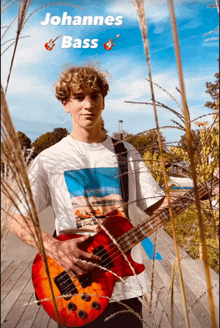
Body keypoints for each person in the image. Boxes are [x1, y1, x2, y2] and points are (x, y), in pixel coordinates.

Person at [10, 65, 166, 328]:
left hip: (125, 287)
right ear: (65, 103)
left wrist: (206, 190)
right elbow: (16, 218)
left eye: (95, 96)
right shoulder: (50, 159)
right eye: (79, 97)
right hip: (75, 289)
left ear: (103, 101)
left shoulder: (125, 153)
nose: (88, 104)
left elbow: (160, 207)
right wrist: (53, 246)